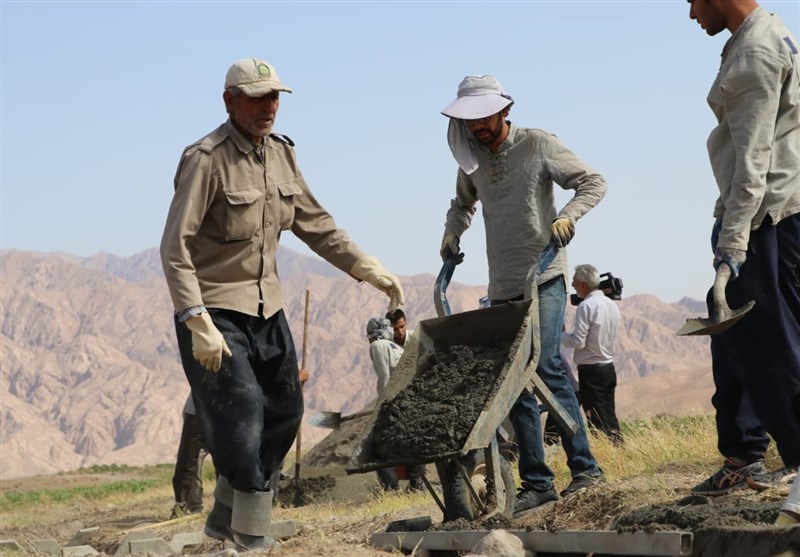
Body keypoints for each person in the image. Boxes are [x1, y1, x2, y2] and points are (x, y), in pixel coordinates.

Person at [160, 57, 404, 550]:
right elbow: (174, 248)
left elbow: (316, 223)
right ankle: (252, 539)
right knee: (243, 415)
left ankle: (225, 511)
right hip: (215, 312)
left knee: (288, 411)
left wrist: (364, 265)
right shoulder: (205, 159)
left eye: (275, 97)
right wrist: (194, 318)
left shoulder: (283, 155)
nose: (269, 107)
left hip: (268, 310)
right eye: (257, 97)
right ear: (230, 100)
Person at [439, 75, 608, 518]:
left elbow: (593, 181)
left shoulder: (537, 145)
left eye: (483, 116)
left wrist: (569, 216)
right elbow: (462, 204)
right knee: (513, 386)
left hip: (545, 275)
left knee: (546, 364)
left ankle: (585, 469)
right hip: (504, 286)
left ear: (502, 110)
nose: (477, 126)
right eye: (468, 119)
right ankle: (539, 483)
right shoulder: (472, 160)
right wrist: (452, 231)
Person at [685, 0, 800, 497]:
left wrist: (733, 244)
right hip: (759, 214)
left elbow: (753, 161)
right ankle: (743, 455)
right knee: (734, 340)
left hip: (761, 218)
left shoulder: (755, 52)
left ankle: (798, 462)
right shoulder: (763, 35)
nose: (691, 13)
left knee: (770, 348)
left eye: (692, 0)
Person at [561, 264, 623, 446]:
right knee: (609, 415)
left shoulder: (585, 306)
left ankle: (606, 453)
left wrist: (562, 334)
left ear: (584, 284)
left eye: (575, 282)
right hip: (608, 367)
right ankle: (619, 449)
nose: (573, 285)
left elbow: (578, 341)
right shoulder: (611, 304)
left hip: (591, 370)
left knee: (595, 417)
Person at [366, 317, 426, 492]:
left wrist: (382, 404)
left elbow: (385, 378)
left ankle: (391, 490)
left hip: (395, 403)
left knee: (378, 448)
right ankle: (417, 485)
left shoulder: (377, 346)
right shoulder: (395, 347)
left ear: (372, 335)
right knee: (410, 443)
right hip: (411, 401)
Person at [170, 394, 209, 518]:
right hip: (197, 414)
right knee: (190, 461)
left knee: (228, 461)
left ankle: (226, 506)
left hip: (225, 415)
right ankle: (190, 505)